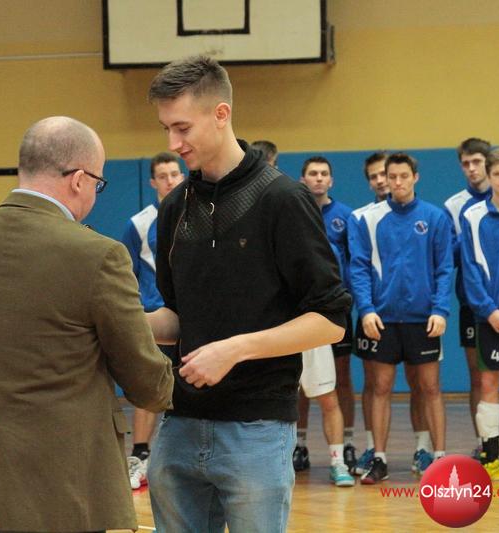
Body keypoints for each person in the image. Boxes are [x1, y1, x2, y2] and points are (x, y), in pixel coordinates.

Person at [0, 116, 174, 533]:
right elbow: (145, 382)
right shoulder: (99, 255)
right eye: (98, 183)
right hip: (58, 489)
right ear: (79, 179)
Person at [145, 55, 351, 532]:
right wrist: (122, 322)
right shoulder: (174, 208)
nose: (173, 144)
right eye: (166, 129)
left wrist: (235, 349)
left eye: (182, 128)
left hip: (257, 429)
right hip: (178, 424)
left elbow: (330, 319)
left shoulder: (283, 199)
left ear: (221, 114)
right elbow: (178, 316)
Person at [350, 152, 453, 484]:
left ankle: (438, 458)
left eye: (403, 176)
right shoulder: (367, 219)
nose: (397, 182)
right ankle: (379, 459)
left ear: (415, 177)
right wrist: (366, 310)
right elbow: (359, 268)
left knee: (429, 388)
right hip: (381, 319)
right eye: (391, 177)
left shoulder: (435, 218)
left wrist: (440, 310)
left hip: (423, 319)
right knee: (379, 387)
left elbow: (444, 268)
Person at [446, 138, 499, 471]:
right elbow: (469, 271)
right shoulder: (472, 216)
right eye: (497, 173)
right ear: (490, 175)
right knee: (488, 383)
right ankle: (491, 456)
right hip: (488, 317)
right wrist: (489, 310)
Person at [120, 151, 184, 489]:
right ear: (152, 182)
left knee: (188, 388)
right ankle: (140, 456)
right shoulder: (139, 224)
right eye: (163, 176)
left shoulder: (197, 213)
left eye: (175, 174)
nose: (170, 180)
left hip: (190, 320)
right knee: (149, 390)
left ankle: (182, 461)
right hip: (155, 320)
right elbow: (125, 274)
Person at [294, 156, 356, 485]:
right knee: (292, 391)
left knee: (329, 390)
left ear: (331, 180)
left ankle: (339, 460)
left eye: (324, 174)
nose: (318, 179)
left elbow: (355, 264)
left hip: (323, 317)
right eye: (312, 174)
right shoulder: (289, 216)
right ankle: (294, 448)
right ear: (302, 179)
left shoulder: (345, 217)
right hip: (289, 320)